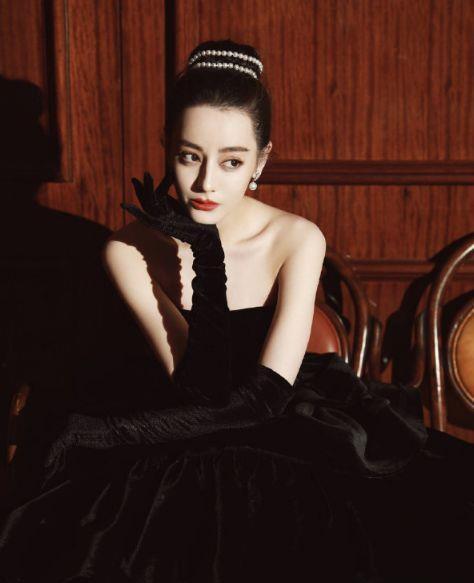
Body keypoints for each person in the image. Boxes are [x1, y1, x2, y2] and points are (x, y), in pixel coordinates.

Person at [0, 39, 473, 583]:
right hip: (179, 419)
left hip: (287, 416)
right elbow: (202, 389)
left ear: (260, 161)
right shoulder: (126, 249)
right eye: (189, 156)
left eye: (231, 162)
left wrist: (109, 433)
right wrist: (206, 254)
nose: (206, 184)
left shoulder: (298, 238)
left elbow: (265, 401)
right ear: (166, 146)